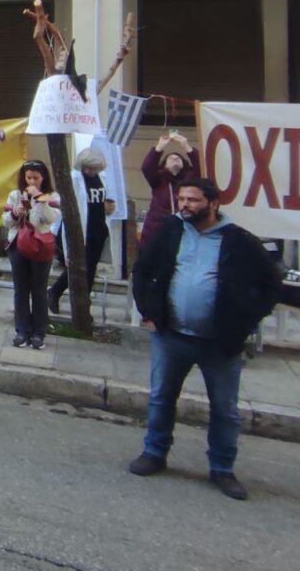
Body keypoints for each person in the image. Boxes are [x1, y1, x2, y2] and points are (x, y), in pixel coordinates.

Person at [129, 178, 282, 501]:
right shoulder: (171, 231)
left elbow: (270, 284)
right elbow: (142, 270)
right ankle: (154, 452)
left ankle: (222, 468)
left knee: (225, 409)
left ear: (213, 203)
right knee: (161, 398)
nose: (185, 205)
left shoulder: (238, 240)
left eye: (193, 200)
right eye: (183, 199)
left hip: (219, 344)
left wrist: (244, 322)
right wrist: (149, 312)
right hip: (171, 336)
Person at [2, 159, 62, 349]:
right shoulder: (15, 195)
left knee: (39, 289)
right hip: (18, 244)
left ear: (43, 178)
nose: (32, 182)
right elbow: (6, 221)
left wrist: (40, 200)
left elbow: (51, 218)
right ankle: (22, 330)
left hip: (40, 245)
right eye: (29, 178)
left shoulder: (52, 196)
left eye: (36, 178)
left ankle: (39, 332)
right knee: (21, 289)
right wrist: (15, 213)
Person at [50, 147, 116, 314]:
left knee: (90, 269)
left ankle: (83, 304)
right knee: (78, 266)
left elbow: (106, 200)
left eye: (94, 168)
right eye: (87, 168)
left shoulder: (102, 177)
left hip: (98, 230)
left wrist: (109, 207)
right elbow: (63, 203)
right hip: (81, 230)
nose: (90, 171)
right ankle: (56, 292)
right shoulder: (74, 178)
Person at [139, 131, 201, 250]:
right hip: (157, 228)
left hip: (186, 227)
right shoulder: (158, 178)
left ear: (184, 164)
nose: (175, 158)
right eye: (171, 158)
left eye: (178, 158)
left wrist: (185, 145)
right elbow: (147, 167)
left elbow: (201, 164)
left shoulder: (191, 178)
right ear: (165, 165)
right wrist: (160, 147)